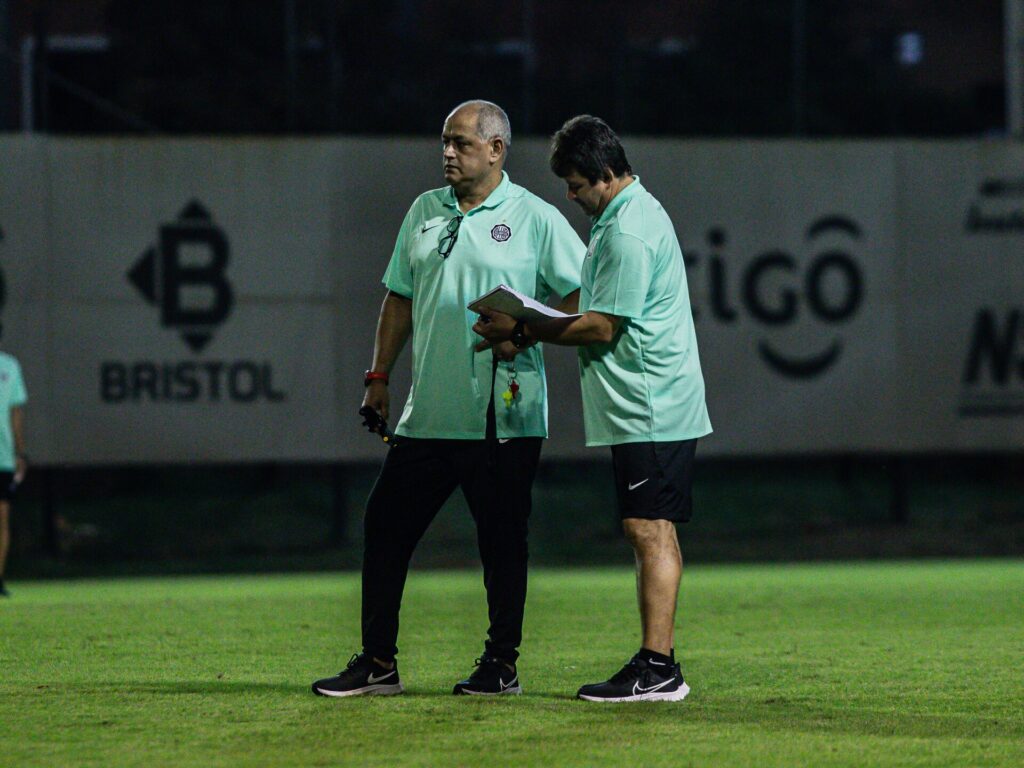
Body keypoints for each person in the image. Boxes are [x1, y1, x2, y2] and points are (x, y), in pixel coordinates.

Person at [312, 101, 585, 697]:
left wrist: (525, 330)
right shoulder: (424, 210)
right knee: (385, 525)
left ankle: (501, 665)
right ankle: (378, 664)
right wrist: (378, 376)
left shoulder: (533, 217)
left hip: (502, 415)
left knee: (501, 541)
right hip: (429, 413)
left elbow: (582, 294)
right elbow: (399, 297)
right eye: (445, 141)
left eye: (461, 143)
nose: (448, 153)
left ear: (496, 150)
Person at [473, 115, 712, 702]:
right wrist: (526, 322)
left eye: (576, 184)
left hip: (650, 402)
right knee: (650, 527)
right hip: (645, 402)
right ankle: (658, 663)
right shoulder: (619, 219)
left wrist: (523, 328)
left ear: (605, 173)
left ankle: (659, 667)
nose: (570, 195)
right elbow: (589, 298)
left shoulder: (628, 230)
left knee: (647, 527)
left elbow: (602, 325)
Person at [0, 349, 28, 597]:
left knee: (2, 519)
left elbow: (16, 412)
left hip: (3, 457)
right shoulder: (10, 365)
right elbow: (16, 413)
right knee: (1, 521)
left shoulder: (10, 365)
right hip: (4, 457)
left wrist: (19, 453)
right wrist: (20, 453)